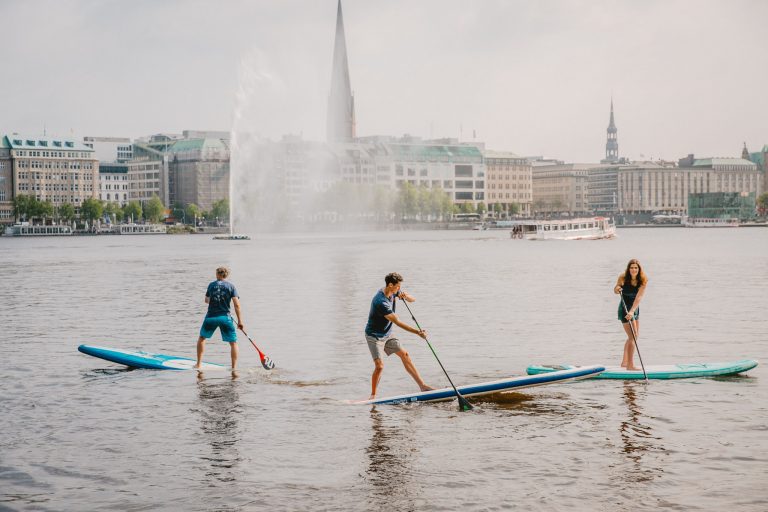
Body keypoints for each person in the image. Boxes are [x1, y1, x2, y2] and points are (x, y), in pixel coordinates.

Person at [365, 272, 434, 400]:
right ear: (390, 285)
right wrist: (417, 332)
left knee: (405, 355)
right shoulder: (380, 301)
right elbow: (397, 322)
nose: (399, 288)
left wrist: (405, 296)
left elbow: (413, 299)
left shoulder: (393, 290)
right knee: (379, 366)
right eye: (398, 287)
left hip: (387, 333)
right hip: (374, 336)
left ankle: (423, 386)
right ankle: (373, 396)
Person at [195, 266, 244, 370]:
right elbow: (237, 305)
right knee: (233, 343)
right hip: (225, 318)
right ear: (226, 275)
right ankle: (234, 368)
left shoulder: (211, 285)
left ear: (217, 274)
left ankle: (198, 364)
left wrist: (215, 298)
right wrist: (240, 321)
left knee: (202, 338)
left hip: (211, 317)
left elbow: (206, 300)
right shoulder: (231, 286)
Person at [613, 259, 648, 370]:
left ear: (639, 269)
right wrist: (617, 289)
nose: (633, 269)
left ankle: (624, 362)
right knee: (632, 337)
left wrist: (632, 311)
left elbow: (639, 297)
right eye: (631, 267)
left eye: (636, 268)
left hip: (634, 309)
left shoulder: (643, 280)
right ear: (628, 269)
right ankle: (630, 365)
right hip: (624, 308)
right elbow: (615, 289)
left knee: (634, 336)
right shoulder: (623, 277)